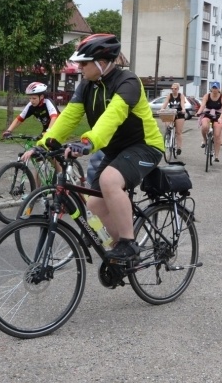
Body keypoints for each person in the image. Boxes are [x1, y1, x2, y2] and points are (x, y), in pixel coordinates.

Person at [34, 34, 163, 261]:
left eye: (83, 63)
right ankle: (123, 254)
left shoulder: (128, 82)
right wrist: (45, 143)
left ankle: (128, 242)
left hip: (144, 147)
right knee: (94, 203)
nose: (79, 67)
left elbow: (113, 117)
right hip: (117, 150)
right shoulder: (87, 86)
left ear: (101, 64)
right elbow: (69, 117)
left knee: (109, 181)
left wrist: (88, 142)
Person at [196, 82, 222, 162]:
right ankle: (205, 139)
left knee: (217, 134)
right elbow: (202, 106)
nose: (214, 89)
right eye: (213, 88)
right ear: (211, 88)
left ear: (219, 89)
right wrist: (199, 112)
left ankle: (216, 155)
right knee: (204, 125)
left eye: (216, 88)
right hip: (208, 113)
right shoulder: (207, 96)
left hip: (218, 114)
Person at [160, 82, 186, 155]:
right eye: (172, 88)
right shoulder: (169, 95)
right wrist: (162, 109)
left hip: (179, 113)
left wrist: (183, 109)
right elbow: (165, 103)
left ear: (178, 89)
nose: (173, 90)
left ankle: (179, 147)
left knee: (178, 132)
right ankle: (168, 138)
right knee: (167, 125)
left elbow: (182, 104)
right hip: (171, 113)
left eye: (175, 88)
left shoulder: (181, 95)